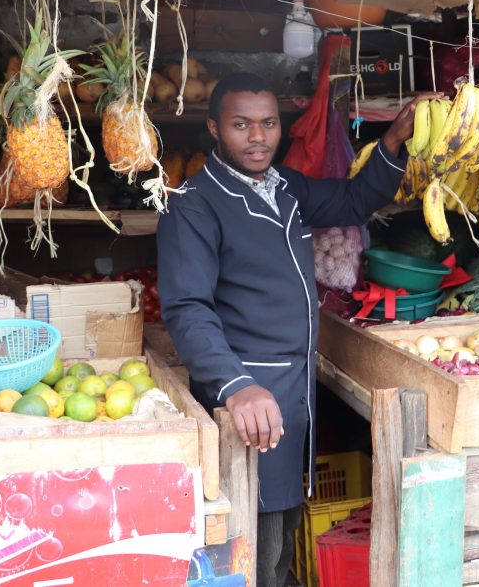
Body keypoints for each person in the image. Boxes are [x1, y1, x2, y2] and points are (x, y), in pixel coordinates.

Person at [157, 72, 440, 587]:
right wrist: (235, 386)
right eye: (241, 124)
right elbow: (187, 308)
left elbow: (354, 201)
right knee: (253, 538)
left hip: (293, 388)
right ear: (215, 129)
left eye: (268, 124)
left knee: (284, 522)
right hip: (248, 396)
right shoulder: (195, 204)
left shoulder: (284, 186)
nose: (258, 136)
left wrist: (393, 141)